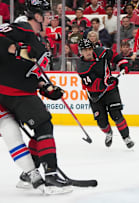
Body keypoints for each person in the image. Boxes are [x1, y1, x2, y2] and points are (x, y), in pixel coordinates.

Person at [0, 0, 72, 192]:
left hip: (21, 90)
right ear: (37, 16)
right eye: (47, 14)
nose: (50, 18)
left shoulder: (39, 40)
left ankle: (28, 176)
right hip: (11, 91)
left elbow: (30, 73)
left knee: (42, 126)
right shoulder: (22, 28)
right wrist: (13, 48)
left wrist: (45, 87)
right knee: (44, 124)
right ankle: (51, 176)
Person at [76, 39, 135, 148]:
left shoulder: (102, 52)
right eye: (85, 50)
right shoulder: (82, 68)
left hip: (110, 91)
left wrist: (123, 64)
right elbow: (93, 85)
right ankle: (108, 133)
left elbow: (115, 56)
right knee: (101, 122)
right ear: (81, 52)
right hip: (95, 96)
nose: (88, 52)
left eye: (89, 49)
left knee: (116, 115)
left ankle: (126, 137)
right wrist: (108, 81)